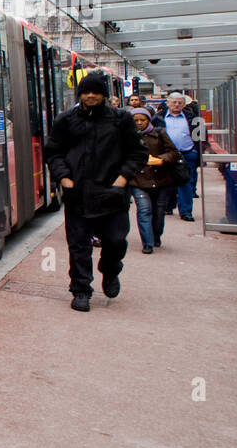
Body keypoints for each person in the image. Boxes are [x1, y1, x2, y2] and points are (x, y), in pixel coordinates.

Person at [44, 70, 147, 312]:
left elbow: (138, 153)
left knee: (116, 241)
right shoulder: (66, 120)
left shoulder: (121, 119)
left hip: (112, 194)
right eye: (86, 92)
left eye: (96, 92)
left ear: (104, 95)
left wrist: (122, 180)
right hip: (77, 194)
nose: (90, 96)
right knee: (78, 246)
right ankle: (81, 290)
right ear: (80, 94)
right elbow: (53, 151)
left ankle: (110, 270)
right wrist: (64, 178)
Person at [128, 109, 179, 253]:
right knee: (144, 210)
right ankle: (147, 243)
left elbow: (174, 153)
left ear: (149, 120)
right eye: (135, 120)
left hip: (161, 180)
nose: (139, 123)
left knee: (159, 211)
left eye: (142, 120)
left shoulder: (160, 133)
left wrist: (161, 160)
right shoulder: (127, 136)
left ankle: (156, 236)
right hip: (138, 180)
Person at [157, 92, 199, 221]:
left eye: (180, 102)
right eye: (174, 102)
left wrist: (195, 151)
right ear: (168, 103)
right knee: (166, 182)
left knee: (185, 183)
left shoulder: (193, 118)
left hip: (186, 153)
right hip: (166, 155)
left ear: (184, 104)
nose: (176, 105)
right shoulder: (158, 118)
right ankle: (167, 207)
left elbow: (201, 137)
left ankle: (186, 212)